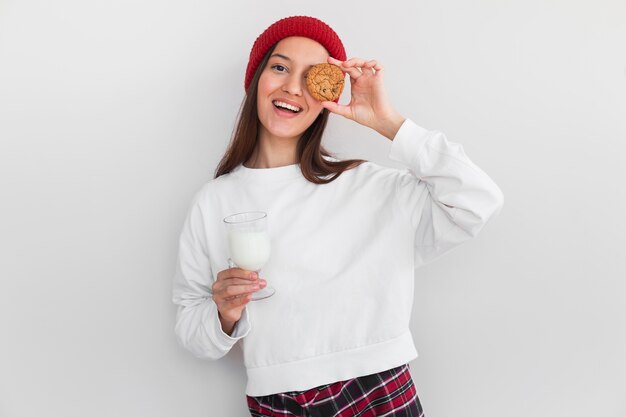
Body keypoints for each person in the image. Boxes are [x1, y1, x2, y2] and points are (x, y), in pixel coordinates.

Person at [172, 15, 503, 417]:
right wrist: (224, 314)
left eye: (313, 77)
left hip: (376, 390)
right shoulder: (214, 201)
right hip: (276, 400)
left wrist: (390, 125)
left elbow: (478, 200)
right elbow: (193, 331)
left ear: (326, 94)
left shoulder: (372, 188)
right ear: (256, 79)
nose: (292, 87)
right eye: (279, 67)